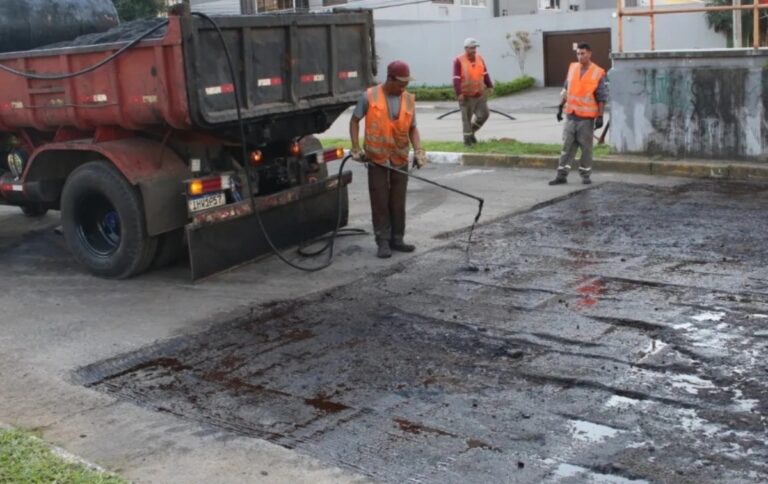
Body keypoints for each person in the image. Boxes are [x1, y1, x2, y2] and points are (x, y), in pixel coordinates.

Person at [349, 60, 428, 259]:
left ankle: (397, 239)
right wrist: (356, 147)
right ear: (390, 79)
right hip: (377, 158)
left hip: (399, 156)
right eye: (401, 84)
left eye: (406, 84)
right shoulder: (369, 96)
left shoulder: (408, 99)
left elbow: (413, 128)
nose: (403, 88)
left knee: (398, 201)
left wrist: (419, 150)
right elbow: (354, 121)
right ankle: (382, 241)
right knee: (380, 200)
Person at [549, 42, 607, 185]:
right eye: (578, 54)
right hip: (570, 116)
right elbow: (566, 90)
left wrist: (600, 116)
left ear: (589, 54)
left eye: (583, 53)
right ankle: (561, 176)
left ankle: (585, 175)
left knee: (586, 149)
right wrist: (560, 107)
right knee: (567, 147)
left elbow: (601, 97)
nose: (580, 56)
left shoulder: (598, 72)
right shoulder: (572, 68)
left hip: (586, 119)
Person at [453, 37, 493, 146]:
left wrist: (489, 85)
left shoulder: (480, 58)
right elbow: (456, 78)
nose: (474, 50)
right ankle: (467, 141)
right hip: (466, 95)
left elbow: (485, 73)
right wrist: (459, 93)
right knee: (466, 119)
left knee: (484, 114)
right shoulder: (458, 60)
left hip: (480, 93)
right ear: (466, 48)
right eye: (471, 48)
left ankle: (472, 132)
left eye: (475, 47)